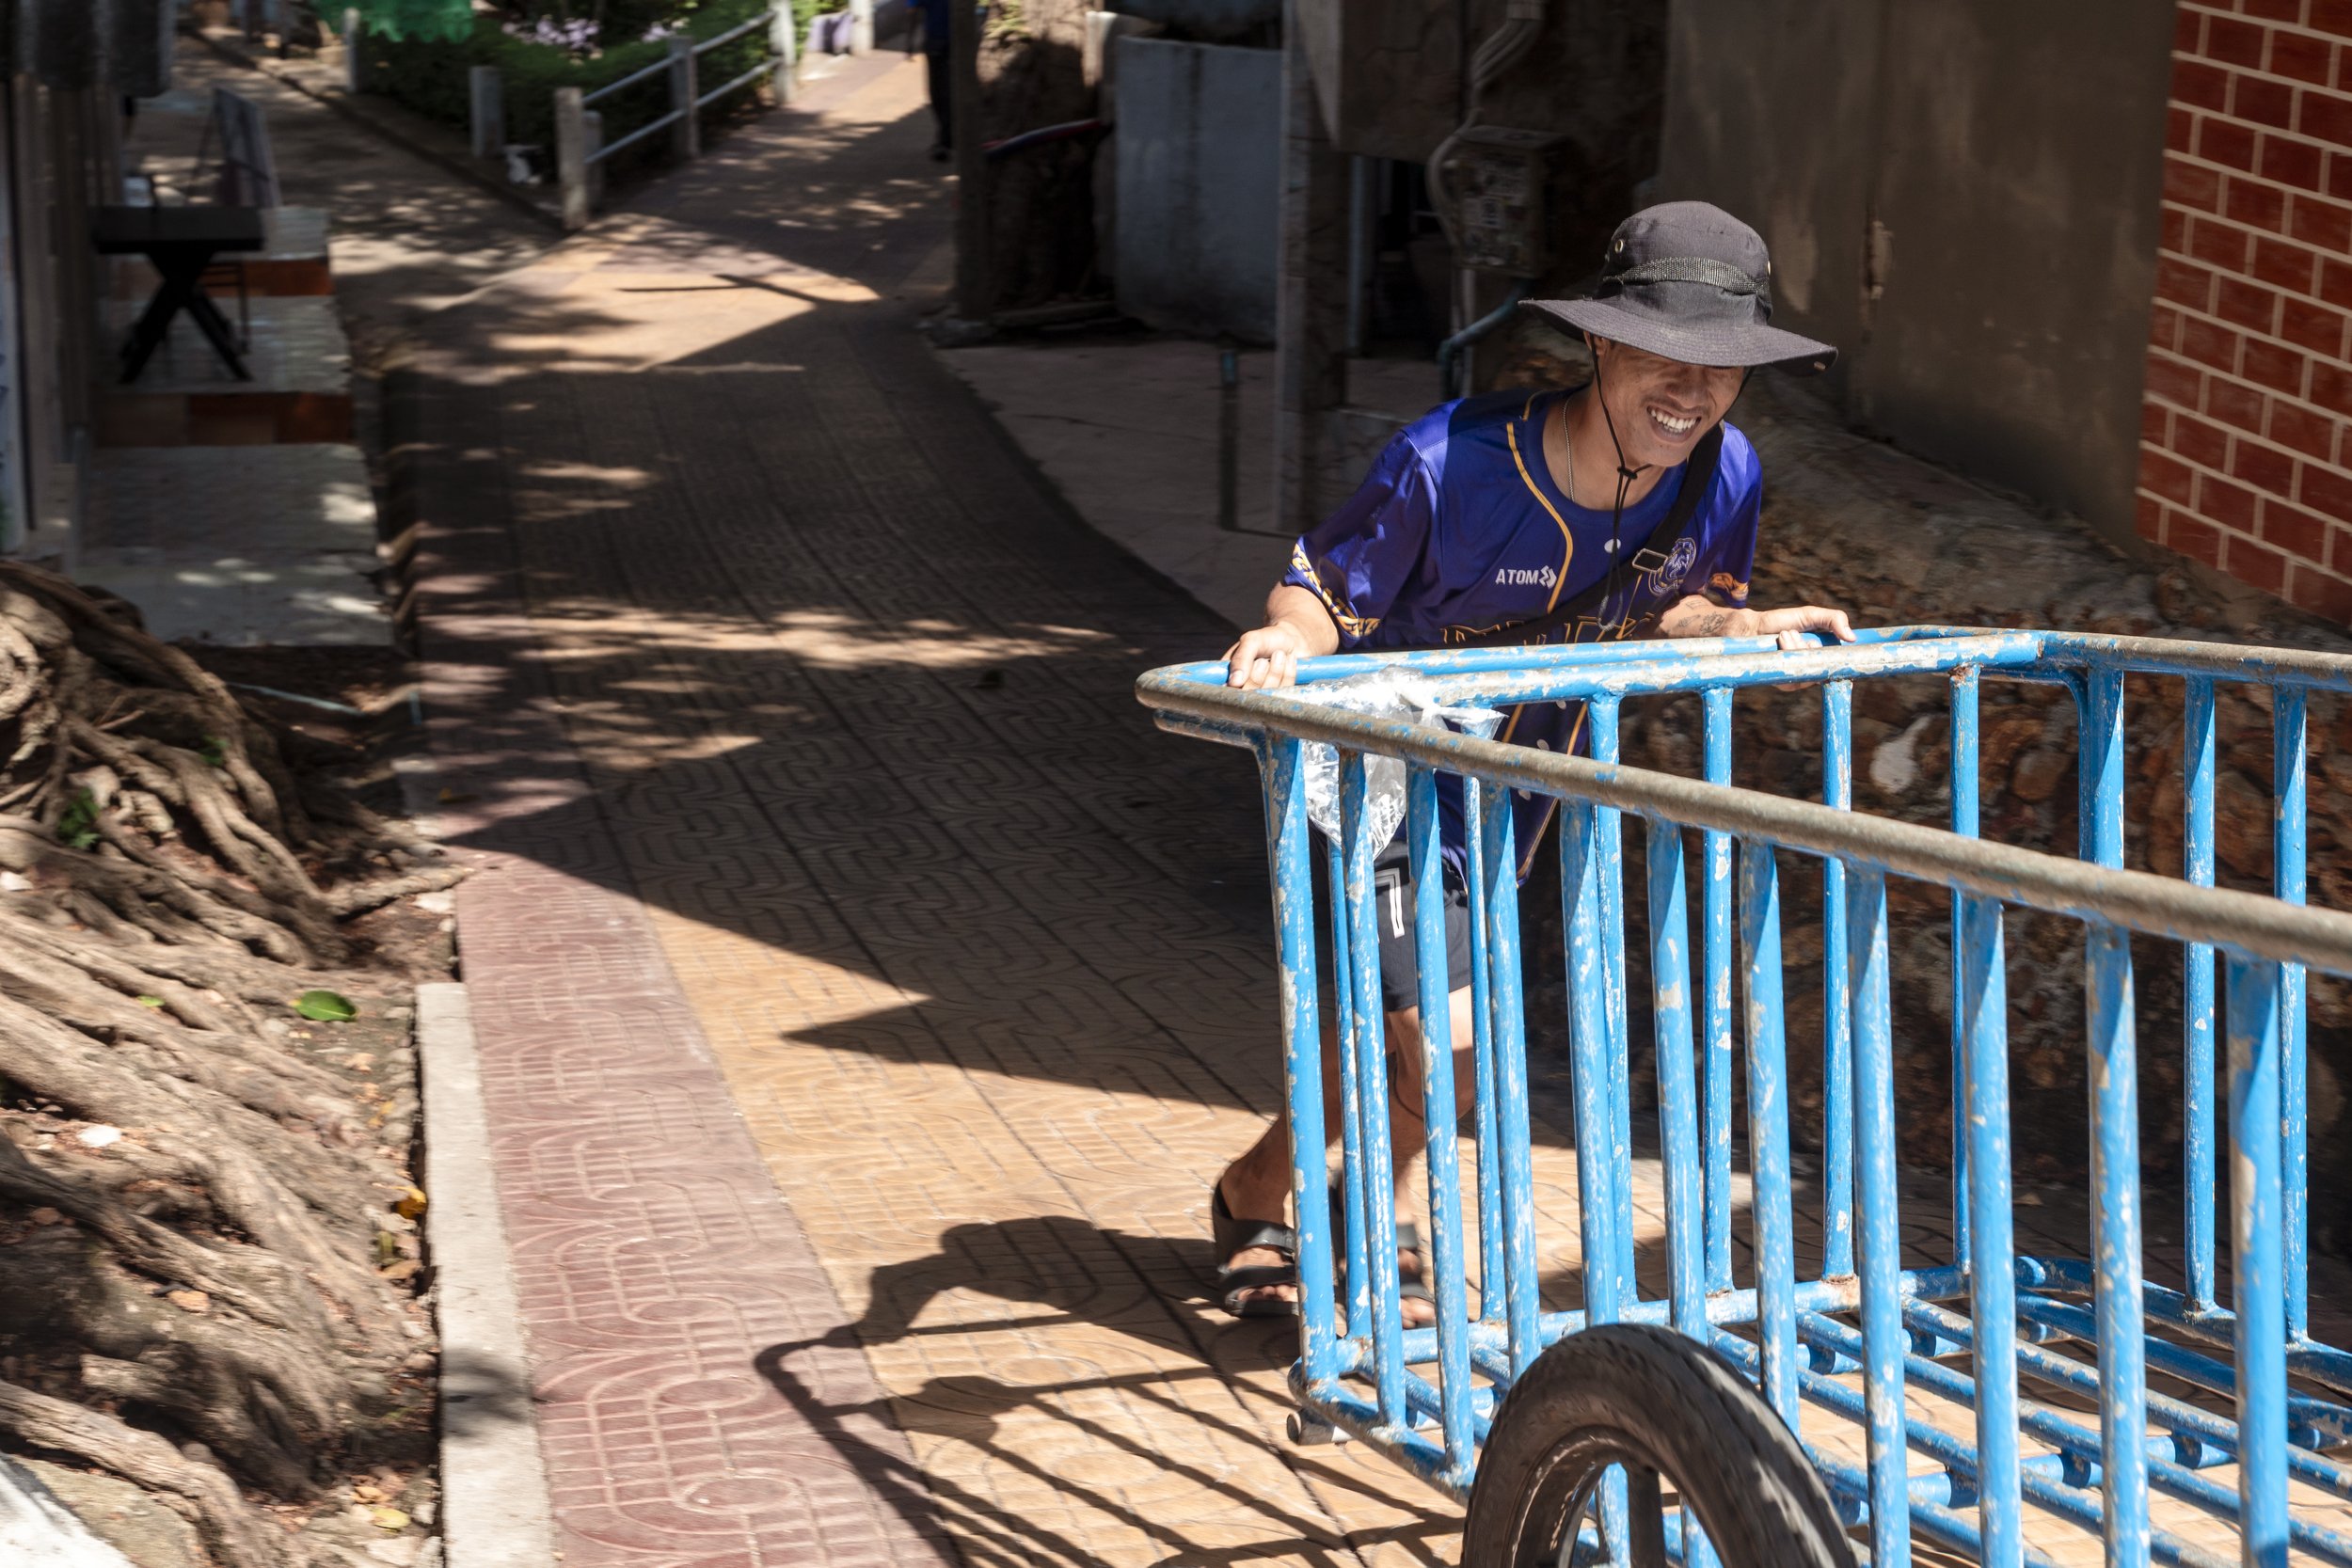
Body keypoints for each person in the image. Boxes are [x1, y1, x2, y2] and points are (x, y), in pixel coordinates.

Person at [1211, 201, 1856, 1321]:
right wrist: (1284, 640)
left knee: (1395, 1017)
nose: (1693, 390)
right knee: (1446, 1037)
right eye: (1667, 352)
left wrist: (1739, 631)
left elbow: (1685, 606)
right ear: (1602, 341)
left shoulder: (1726, 474)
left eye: (1724, 364)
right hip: (1386, 782)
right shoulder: (1449, 463)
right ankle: (1362, 1219)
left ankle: (1265, 1192)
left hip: (1521, 792)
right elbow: (1323, 588)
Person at [908, 0, 954, 161]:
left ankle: (945, 140)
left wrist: (910, 42)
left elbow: (913, 12)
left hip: (936, 41)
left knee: (938, 93)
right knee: (950, 91)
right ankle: (948, 137)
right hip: (958, 42)